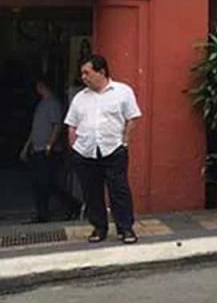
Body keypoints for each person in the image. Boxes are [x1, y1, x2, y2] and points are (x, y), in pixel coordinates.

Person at [64, 55, 142, 244]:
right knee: (91, 192)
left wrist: (124, 141)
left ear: (101, 72)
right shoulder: (80, 98)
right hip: (86, 151)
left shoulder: (122, 92)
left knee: (119, 190)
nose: (83, 77)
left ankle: (125, 228)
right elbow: (71, 124)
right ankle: (99, 228)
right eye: (82, 73)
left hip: (113, 149)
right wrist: (74, 147)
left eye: (87, 72)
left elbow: (133, 117)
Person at [19, 78, 81, 223]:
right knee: (40, 182)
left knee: (46, 182)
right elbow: (35, 129)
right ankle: (44, 213)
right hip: (37, 147)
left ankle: (70, 205)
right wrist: (27, 146)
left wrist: (50, 145)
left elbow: (56, 126)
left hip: (47, 150)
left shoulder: (53, 103)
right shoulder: (42, 104)